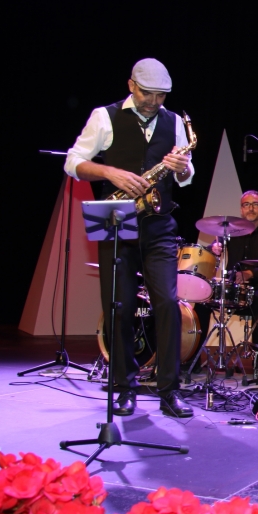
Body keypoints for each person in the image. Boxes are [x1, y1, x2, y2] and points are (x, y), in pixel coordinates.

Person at [65, 58, 196, 418]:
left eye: (161, 95)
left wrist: (183, 168)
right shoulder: (104, 116)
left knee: (168, 305)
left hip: (160, 224)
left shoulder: (173, 121)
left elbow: (187, 176)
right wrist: (109, 172)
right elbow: (73, 161)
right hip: (118, 220)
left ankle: (170, 390)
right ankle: (124, 387)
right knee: (119, 307)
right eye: (148, 94)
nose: (155, 102)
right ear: (131, 86)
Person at [211, 191, 258, 346]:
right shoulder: (231, 232)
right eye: (246, 204)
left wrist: (250, 273)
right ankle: (193, 360)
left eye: (255, 204)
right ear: (241, 209)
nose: (251, 208)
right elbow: (213, 246)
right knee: (203, 302)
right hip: (233, 290)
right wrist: (214, 247)